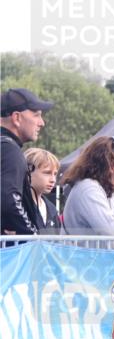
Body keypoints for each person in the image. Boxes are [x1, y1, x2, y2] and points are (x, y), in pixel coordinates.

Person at [1, 88, 53, 234]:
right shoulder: (9, 150)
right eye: (36, 115)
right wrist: (33, 236)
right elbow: (9, 201)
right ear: (17, 118)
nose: (41, 123)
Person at [23, 148, 61, 232]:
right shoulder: (16, 205)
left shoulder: (51, 208)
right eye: (47, 173)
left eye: (55, 174)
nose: (53, 180)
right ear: (29, 171)